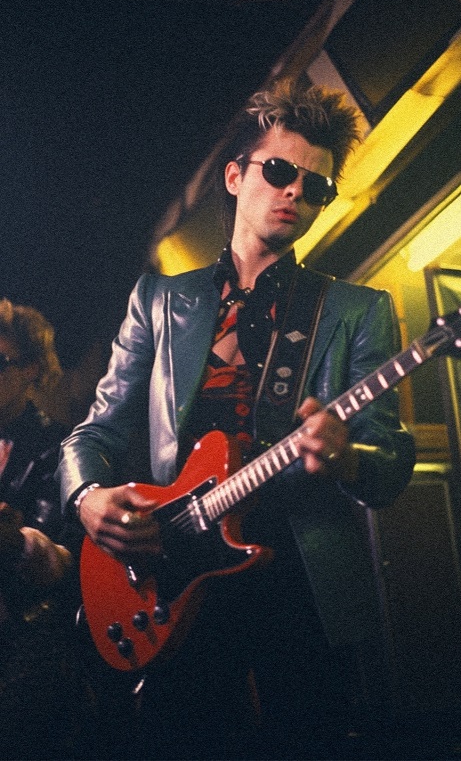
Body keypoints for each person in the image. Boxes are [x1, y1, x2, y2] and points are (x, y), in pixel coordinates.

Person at [58, 76, 416, 760]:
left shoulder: (355, 311)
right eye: (279, 171)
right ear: (234, 175)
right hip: (174, 574)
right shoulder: (159, 300)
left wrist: (347, 457)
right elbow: (96, 432)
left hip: (299, 581)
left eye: (315, 186)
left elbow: (391, 460)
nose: (295, 192)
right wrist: (87, 496)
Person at [0, 299, 79, 760]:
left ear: (31, 368)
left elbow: (59, 563)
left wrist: (18, 540)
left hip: (25, 648)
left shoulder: (57, 447)